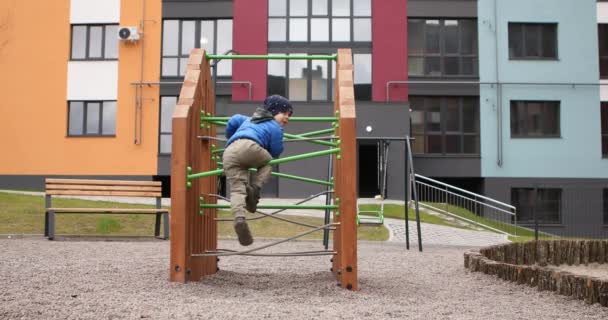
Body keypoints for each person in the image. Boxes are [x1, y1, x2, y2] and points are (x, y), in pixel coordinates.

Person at [222, 95, 293, 246]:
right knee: (268, 163)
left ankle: (239, 219)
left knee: (236, 190)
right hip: (250, 147)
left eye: (289, 115)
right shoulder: (275, 127)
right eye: (284, 113)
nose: (287, 118)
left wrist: (231, 136)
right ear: (273, 112)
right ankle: (255, 188)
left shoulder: (248, 119)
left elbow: (233, 119)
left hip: (229, 151)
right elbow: (276, 151)